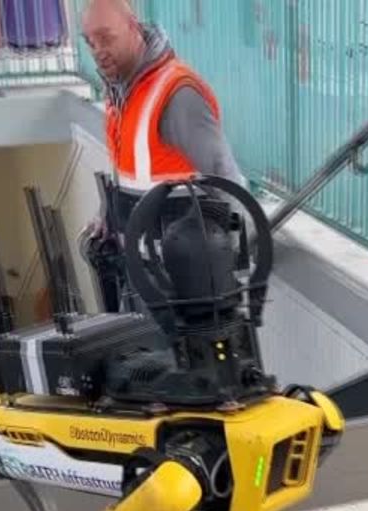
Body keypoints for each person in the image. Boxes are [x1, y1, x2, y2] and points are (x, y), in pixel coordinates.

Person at [75, 0, 246, 312]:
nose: (98, 50)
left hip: (181, 283)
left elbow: (223, 175)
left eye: (106, 37)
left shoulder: (176, 94)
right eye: (90, 41)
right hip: (144, 274)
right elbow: (133, 171)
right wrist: (107, 214)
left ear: (133, 27)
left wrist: (238, 255)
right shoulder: (122, 92)